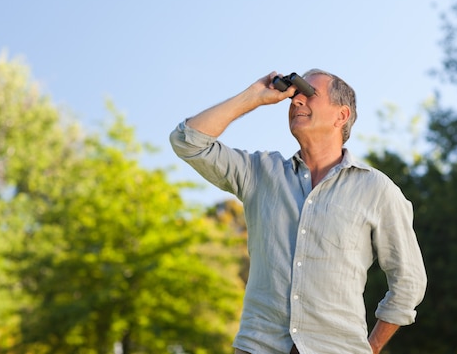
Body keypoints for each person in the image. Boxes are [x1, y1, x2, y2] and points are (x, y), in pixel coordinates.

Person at [170, 69, 427, 354]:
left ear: (341, 116)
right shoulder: (260, 173)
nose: (295, 101)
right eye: (294, 94)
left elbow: (409, 282)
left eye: (308, 94)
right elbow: (187, 140)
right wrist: (252, 97)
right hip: (258, 347)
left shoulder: (377, 189)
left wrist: (372, 347)